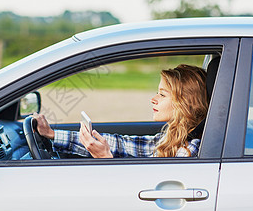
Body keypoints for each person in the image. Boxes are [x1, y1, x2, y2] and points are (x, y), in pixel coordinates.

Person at [34, 64, 208, 158]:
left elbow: (152, 191)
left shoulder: (188, 150)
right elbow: (124, 144)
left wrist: (105, 159)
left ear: (185, 103)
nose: (153, 99)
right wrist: (52, 134)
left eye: (162, 94)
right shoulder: (171, 138)